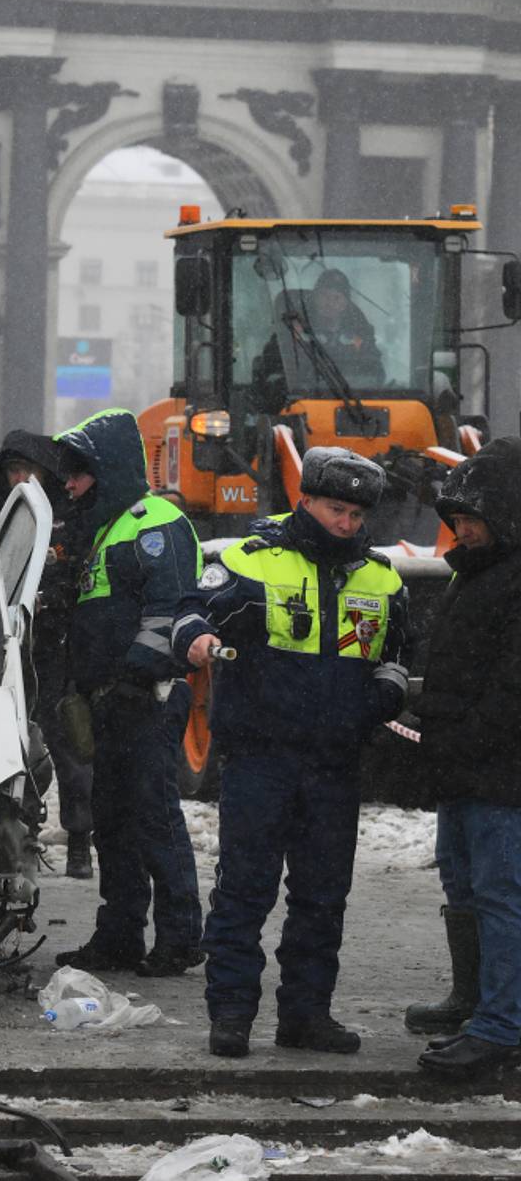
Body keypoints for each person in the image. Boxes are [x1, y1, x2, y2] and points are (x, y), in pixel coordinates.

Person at [174, 446, 411, 1058]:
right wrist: (197, 639)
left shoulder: (382, 578)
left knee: (323, 898)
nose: (347, 524)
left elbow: (397, 653)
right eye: (336, 509)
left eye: (358, 515)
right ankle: (230, 1014)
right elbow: (187, 612)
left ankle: (306, 1016)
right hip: (261, 759)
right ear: (305, 499)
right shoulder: (251, 562)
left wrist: (389, 683)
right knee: (244, 891)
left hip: (335, 763)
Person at [51, 408, 204, 976]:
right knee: (114, 820)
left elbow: (170, 609)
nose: (68, 483)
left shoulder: (153, 520)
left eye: (77, 471)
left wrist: (136, 676)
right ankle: (119, 937)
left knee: (153, 817)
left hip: (149, 697)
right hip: (112, 701)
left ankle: (182, 938)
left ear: (106, 467)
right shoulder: (105, 528)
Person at [410, 438, 521, 1080]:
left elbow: (511, 689)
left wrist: (466, 737)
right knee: (463, 884)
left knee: (501, 894)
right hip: (461, 767)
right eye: (457, 519)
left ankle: (502, 1026)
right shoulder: (473, 571)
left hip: (498, 774)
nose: (462, 528)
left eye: (472, 518)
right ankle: (474, 1000)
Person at [0, 430, 93, 879]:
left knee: (68, 747)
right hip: (12, 652)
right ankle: (20, 835)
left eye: (27, 470)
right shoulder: (4, 517)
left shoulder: (69, 518)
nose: (20, 479)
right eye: (13, 471)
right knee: (14, 749)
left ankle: (79, 845)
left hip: (57, 651)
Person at [256, 268, 384, 402]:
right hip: (301, 404)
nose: (330, 303)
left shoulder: (360, 336)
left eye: (337, 298)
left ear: (346, 303)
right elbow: (272, 371)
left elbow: (375, 375)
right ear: (315, 298)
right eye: (324, 296)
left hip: (353, 409)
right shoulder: (292, 332)